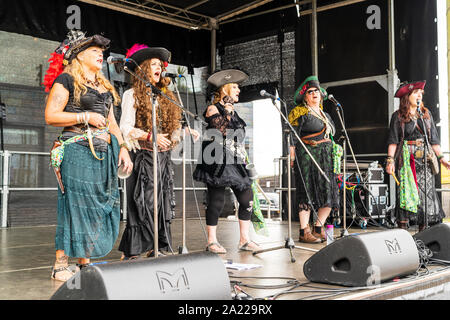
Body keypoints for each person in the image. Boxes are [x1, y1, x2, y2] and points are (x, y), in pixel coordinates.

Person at [43, 30, 133, 281]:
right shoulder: (66, 79)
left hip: (103, 153)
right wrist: (84, 116)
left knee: (94, 207)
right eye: (94, 51)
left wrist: (123, 147)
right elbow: (51, 115)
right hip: (76, 150)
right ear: (79, 56)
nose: (100, 55)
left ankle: (85, 263)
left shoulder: (104, 85)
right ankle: (60, 263)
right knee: (73, 205)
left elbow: (112, 122)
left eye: (102, 52)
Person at [118, 44, 198, 259]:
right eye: (153, 64)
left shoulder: (164, 96)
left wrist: (181, 133)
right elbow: (124, 127)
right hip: (142, 156)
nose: (158, 67)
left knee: (160, 201)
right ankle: (134, 250)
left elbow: (170, 131)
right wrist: (150, 136)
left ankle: (157, 247)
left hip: (162, 158)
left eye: (159, 65)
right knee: (142, 202)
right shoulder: (131, 94)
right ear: (143, 69)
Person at [193, 69, 261, 254]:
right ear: (224, 89)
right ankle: (211, 241)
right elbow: (221, 130)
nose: (239, 90)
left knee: (247, 198)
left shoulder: (234, 112)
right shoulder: (213, 108)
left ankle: (244, 239)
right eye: (235, 86)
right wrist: (229, 112)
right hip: (217, 161)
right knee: (217, 201)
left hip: (236, 161)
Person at [386, 80, 450, 230]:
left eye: (421, 93)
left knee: (426, 196)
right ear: (407, 96)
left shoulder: (426, 115)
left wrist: (442, 158)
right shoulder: (398, 116)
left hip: (425, 161)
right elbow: (393, 140)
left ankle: (424, 235)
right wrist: (390, 160)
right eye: (416, 93)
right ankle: (402, 232)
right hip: (407, 162)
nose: (419, 95)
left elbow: (434, 139)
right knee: (406, 194)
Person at [288, 75, 339, 243]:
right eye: (310, 91)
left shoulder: (326, 115)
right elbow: (291, 136)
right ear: (305, 97)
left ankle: (318, 227)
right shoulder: (299, 113)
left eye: (317, 91)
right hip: (307, 157)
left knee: (329, 193)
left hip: (326, 158)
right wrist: (292, 156)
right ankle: (304, 231)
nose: (315, 93)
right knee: (307, 192)